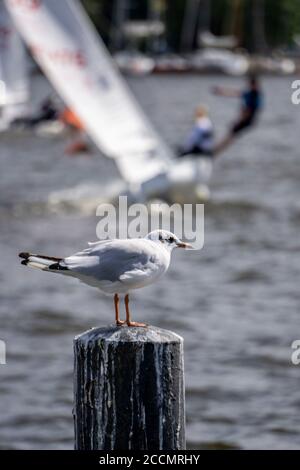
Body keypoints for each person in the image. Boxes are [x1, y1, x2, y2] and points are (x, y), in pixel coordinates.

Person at [213, 75, 263, 155]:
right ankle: (215, 151)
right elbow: (235, 93)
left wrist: (240, 120)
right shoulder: (250, 93)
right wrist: (220, 91)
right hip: (246, 119)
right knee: (231, 134)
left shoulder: (255, 94)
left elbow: (250, 110)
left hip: (248, 119)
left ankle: (214, 152)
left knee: (231, 135)